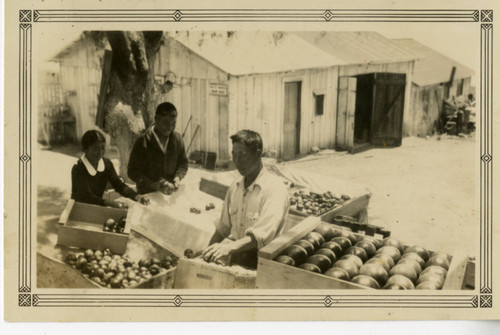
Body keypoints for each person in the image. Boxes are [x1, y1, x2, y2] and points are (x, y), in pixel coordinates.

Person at [202, 130, 289, 269]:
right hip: (237, 260)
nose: (237, 162)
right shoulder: (235, 187)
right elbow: (223, 228)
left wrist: (229, 247)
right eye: (234, 156)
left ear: (258, 154)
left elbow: (261, 236)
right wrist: (204, 256)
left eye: (242, 155)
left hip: (264, 264)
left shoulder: (275, 189)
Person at [71, 130, 149, 208]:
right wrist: (109, 203)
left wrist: (137, 197)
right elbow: (86, 196)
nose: (100, 152)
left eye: (102, 148)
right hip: (79, 207)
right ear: (85, 150)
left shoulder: (107, 164)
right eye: (95, 149)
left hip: (96, 206)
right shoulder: (78, 169)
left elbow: (119, 185)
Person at [128, 102, 189, 194]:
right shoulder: (142, 142)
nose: (170, 127)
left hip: (170, 193)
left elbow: (183, 163)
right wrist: (153, 185)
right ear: (156, 119)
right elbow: (132, 171)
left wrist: (177, 178)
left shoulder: (178, 139)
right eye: (166, 123)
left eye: (174, 123)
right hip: (148, 193)